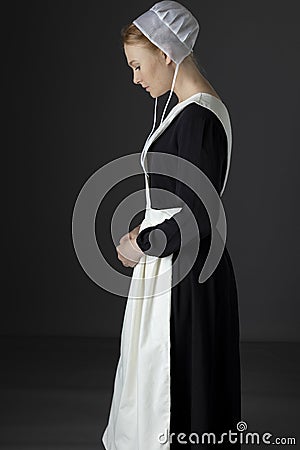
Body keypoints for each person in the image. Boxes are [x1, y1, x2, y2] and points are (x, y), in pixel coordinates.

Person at [102, 2, 241, 449]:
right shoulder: (182, 111)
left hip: (186, 278)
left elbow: (199, 214)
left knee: (178, 391)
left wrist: (141, 242)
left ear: (166, 53)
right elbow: (175, 200)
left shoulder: (199, 116)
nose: (136, 78)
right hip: (172, 267)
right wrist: (139, 233)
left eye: (138, 66)